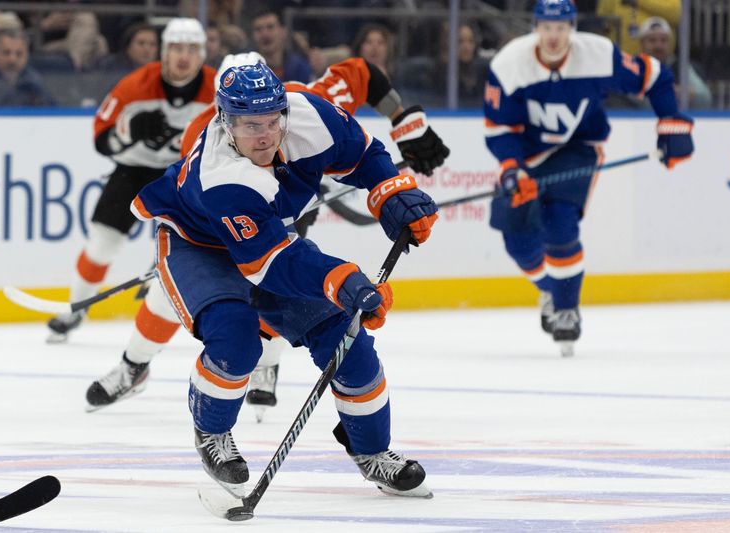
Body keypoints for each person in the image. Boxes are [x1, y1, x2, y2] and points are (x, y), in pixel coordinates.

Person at [84, 52, 451, 418]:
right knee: (184, 294)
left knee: (286, 283)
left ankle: (266, 365)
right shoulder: (202, 137)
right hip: (225, 227)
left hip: (287, 212)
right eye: (246, 120)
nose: (261, 127)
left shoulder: (306, 101)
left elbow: (364, 74)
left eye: (268, 117)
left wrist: (406, 123)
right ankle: (135, 365)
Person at [130, 62, 438, 498]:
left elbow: (363, 154)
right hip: (197, 244)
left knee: (345, 337)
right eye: (250, 124)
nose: (265, 134)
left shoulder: (309, 114)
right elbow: (271, 267)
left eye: (272, 120)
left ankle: (373, 451)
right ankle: (212, 432)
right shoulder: (223, 177)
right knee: (236, 340)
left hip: (270, 235)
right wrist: (340, 278)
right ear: (224, 120)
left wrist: (391, 190)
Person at [483, 0, 694, 355]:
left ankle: (567, 310)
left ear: (572, 28)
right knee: (517, 240)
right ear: (535, 27)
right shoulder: (509, 65)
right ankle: (551, 290)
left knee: (559, 221)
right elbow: (501, 129)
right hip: (527, 155)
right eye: (547, 28)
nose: (554, 37)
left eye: (561, 28)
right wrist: (512, 169)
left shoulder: (597, 55)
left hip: (578, 148)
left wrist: (669, 121)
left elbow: (655, 76)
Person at [45, 18, 216, 342]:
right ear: (164, 53)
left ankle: (165, 295)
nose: (184, 56)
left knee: (190, 246)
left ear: (203, 54)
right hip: (133, 170)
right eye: (176, 48)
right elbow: (101, 139)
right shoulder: (134, 86)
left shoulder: (216, 88)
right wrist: (128, 132)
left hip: (183, 174)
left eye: (192, 49)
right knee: (102, 244)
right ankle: (75, 308)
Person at [638, 16, 712, 109]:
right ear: (642, 43)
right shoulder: (633, 67)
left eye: (663, 40)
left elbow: (705, 97)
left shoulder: (680, 66)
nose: (658, 45)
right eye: (652, 40)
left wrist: (677, 92)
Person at [595, 0, 680, 55]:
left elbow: (675, 14)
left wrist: (639, 2)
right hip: (621, 60)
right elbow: (602, 20)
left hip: (659, 60)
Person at [250, 8, 313, 83]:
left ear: (283, 32)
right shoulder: (247, 71)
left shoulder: (300, 68)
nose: (264, 34)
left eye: (270, 27)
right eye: (258, 29)